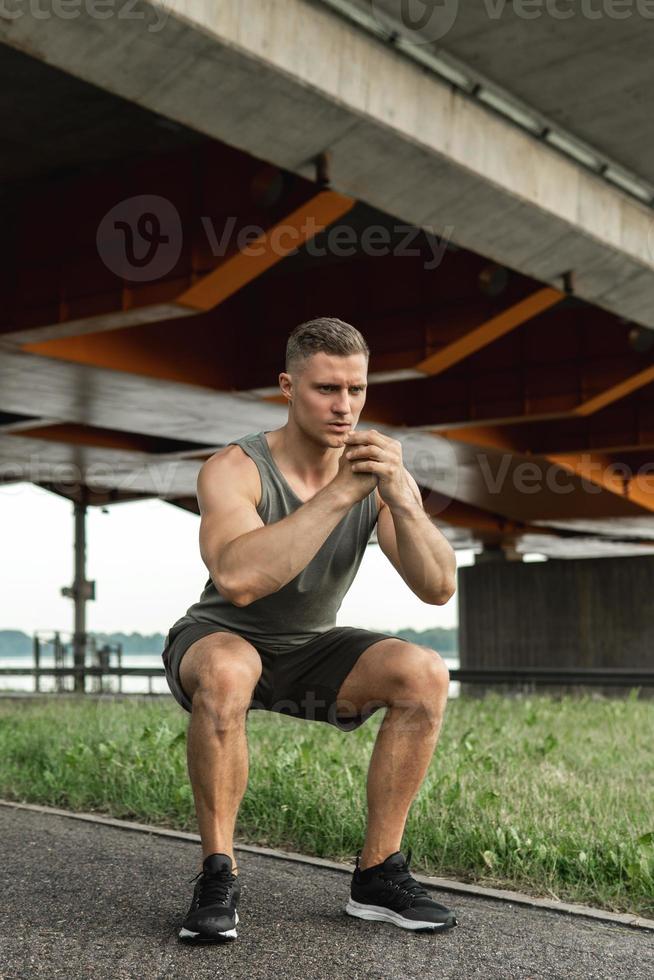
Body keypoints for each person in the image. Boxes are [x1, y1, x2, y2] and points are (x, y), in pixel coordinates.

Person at [161, 316, 458, 943]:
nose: (344, 406)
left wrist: (402, 499)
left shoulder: (376, 477)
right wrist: (341, 494)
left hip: (309, 649)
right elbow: (239, 579)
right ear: (288, 387)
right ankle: (218, 875)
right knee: (227, 668)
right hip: (220, 640)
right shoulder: (235, 469)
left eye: (356, 390)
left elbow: (437, 587)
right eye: (326, 389)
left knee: (424, 672)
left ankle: (378, 874)